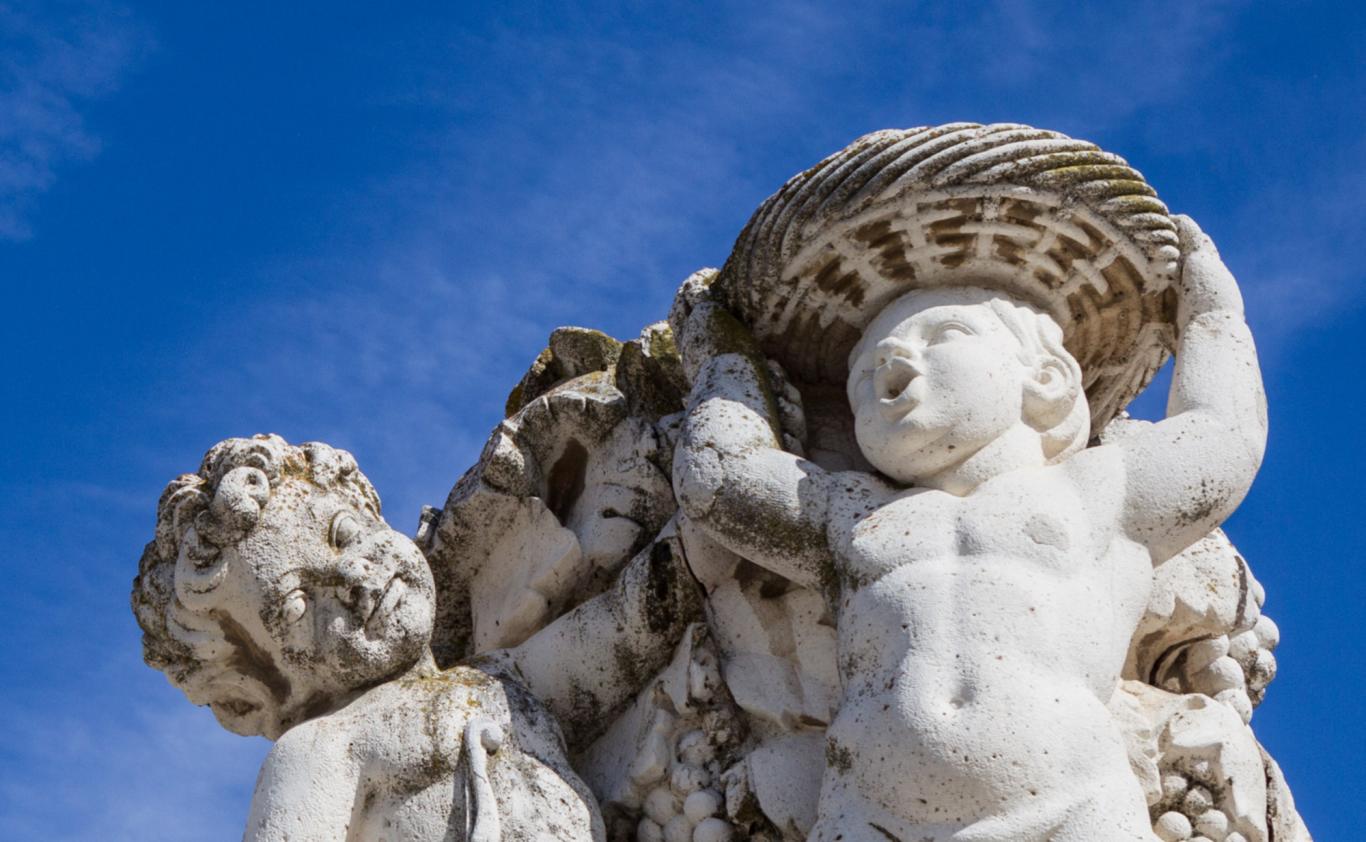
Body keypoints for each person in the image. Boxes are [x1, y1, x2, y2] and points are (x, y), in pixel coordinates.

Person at [671, 212, 1266, 841]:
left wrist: (1212, 319)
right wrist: (724, 362)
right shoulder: (851, 512)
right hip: (870, 808)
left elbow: (1222, 435)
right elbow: (719, 482)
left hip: (1072, 799)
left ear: (1045, 376)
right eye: (861, 374)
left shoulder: (1098, 492)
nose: (891, 360)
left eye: (943, 333)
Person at [132, 434, 697, 841]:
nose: (351, 575)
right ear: (262, 688)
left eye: (343, 532)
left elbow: (629, 627)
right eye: (298, 604)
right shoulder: (320, 751)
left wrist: (705, 509)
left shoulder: (502, 683)